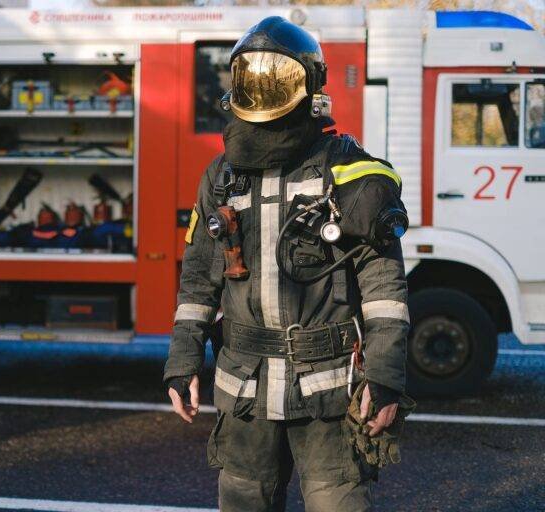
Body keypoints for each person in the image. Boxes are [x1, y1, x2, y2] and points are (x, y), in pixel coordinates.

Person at [164, 16, 412, 512]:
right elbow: (197, 281)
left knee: (338, 503)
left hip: (327, 389)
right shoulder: (220, 178)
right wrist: (183, 361)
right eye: (251, 77)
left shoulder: (350, 176)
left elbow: (385, 288)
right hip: (245, 388)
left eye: (275, 77)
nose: (261, 89)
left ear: (310, 83)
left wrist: (384, 376)